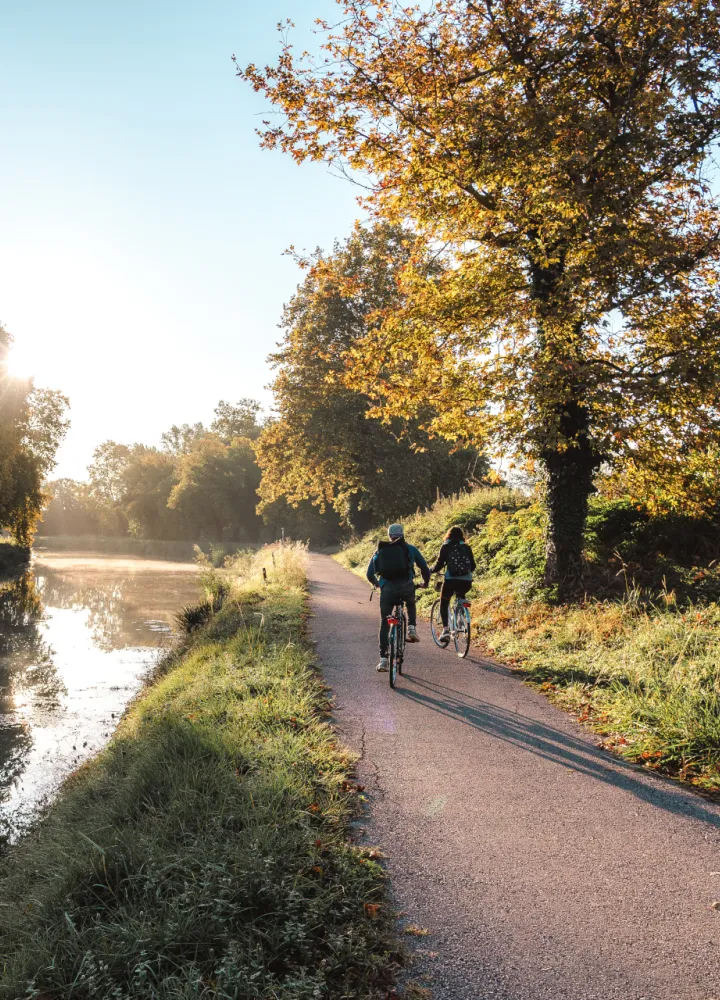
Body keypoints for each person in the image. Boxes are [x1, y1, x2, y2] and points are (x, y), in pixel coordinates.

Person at [367, 523, 430, 672]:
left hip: (387, 590)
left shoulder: (381, 550)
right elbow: (424, 568)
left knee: (384, 622)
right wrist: (425, 583)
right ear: (403, 535)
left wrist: (377, 584)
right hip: (406, 586)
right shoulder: (410, 549)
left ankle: (383, 659)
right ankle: (411, 628)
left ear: (389, 536)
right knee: (410, 603)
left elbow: (369, 574)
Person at [431, 526, 476, 644]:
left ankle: (445, 630)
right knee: (461, 595)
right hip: (466, 582)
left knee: (444, 601)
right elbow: (473, 565)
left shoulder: (446, 546)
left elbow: (439, 564)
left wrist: (431, 570)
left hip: (451, 581)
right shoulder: (466, 547)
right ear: (462, 536)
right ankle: (461, 616)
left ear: (448, 535)